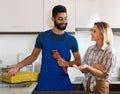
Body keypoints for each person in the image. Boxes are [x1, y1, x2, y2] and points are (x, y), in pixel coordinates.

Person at [7, 5, 81, 91]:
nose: (64, 21)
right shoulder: (42, 36)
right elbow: (33, 57)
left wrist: (66, 63)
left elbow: (78, 61)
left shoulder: (72, 40)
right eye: (60, 19)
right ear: (53, 19)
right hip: (44, 86)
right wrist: (18, 66)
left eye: (65, 18)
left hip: (63, 86)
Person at [73, 22, 116, 94]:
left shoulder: (109, 51)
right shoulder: (90, 49)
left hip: (100, 87)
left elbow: (104, 75)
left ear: (102, 34)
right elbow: (83, 70)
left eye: (94, 31)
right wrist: (94, 66)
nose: (91, 33)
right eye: (92, 30)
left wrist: (88, 67)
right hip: (88, 86)